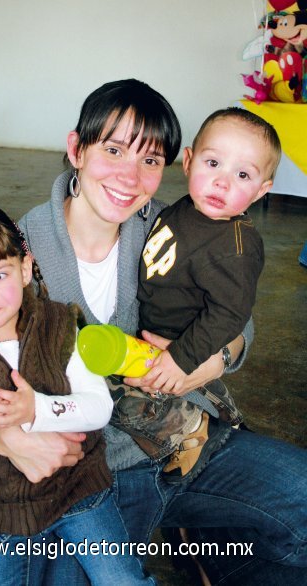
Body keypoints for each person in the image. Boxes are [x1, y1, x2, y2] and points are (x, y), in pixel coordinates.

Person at [0, 79, 307, 585]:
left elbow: (237, 316)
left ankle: (215, 552)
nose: (129, 175)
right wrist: (5, 438)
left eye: (149, 159)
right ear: (76, 149)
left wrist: (208, 361)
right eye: (113, 149)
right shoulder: (16, 255)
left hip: (188, 440)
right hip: (94, 475)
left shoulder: (174, 225)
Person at [0, 203, 155, 586]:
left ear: (25, 269)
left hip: (81, 495)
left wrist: (36, 409)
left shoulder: (60, 325)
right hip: (6, 513)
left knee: (123, 580)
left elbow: (99, 408)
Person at [113, 107, 281, 478]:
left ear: (262, 189)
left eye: (242, 174)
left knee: (130, 405)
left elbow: (230, 314)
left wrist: (181, 359)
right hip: (154, 339)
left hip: (183, 348)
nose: (222, 183)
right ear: (188, 161)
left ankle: (201, 430)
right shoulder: (185, 209)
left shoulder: (236, 247)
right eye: (213, 163)